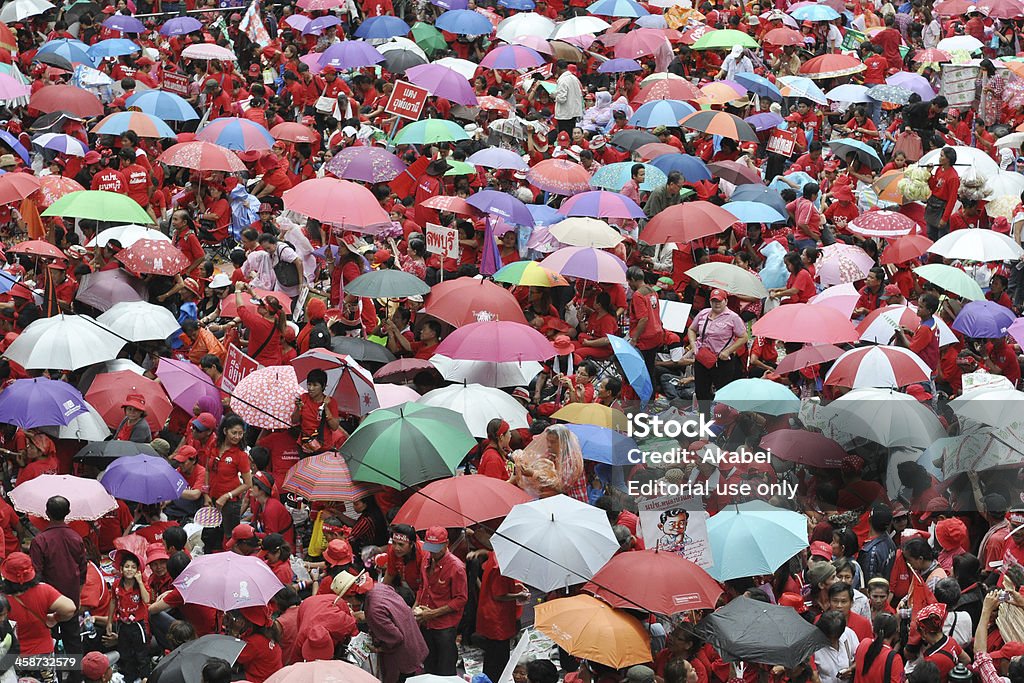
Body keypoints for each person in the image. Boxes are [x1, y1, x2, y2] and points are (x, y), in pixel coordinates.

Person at [337, 572, 428, 683]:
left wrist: (378, 649)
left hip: (402, 654)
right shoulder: (379, 587)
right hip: (413, 638)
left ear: (353, 596)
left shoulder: (373, 610)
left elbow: (396, 638)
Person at [28, 495, 86, 671]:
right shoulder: (76, 538)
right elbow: (83, 571)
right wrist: (78, 595)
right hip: (71, 599)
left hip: (48, 602)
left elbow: (35, 575)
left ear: (46, 513)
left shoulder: (40, 541)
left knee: (49, 642)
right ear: (68, 513)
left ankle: (54, 676)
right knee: (73, 641)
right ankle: (77, 677)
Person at [414, 526, 468, 675]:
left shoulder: (456, 568)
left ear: (446, 544)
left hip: (444, 627)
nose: (432, 552)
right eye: (430, 548)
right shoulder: (426, 558)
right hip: (425, 622)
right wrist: (415, 608)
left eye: (436, 548)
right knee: (429, 665)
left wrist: (433, 613)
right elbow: (422, 587)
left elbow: (461, 599)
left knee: (445, 669)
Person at [687, 289, 747, 400]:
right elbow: (691, 329)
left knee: (723, 393)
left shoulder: (733, 317)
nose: (717, 304)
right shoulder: (703, 313)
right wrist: (693, 345)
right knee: (701, 391)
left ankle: (721, 416)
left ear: (726, 301)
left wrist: (728, 351)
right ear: (710, 302)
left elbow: (743, 337)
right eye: (714, 301)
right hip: (703, 358)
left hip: (722, 361)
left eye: (719, 301)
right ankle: (704, 416)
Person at [107, 550, 150, 683]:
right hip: (122, 623)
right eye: (126, 567)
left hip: (137, 624)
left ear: (137, 570)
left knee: (141, 652)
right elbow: (113, 601)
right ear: (121, 569)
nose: (129, 570)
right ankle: (129, 676)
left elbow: (147, 599)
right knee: (125, 651)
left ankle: (145, 677)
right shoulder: (116, 585)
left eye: (133, 567)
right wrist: (109, 621)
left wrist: (141, 582)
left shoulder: (140, 584)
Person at [554, 60, 584, 136]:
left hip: (565, 114)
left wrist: (554, 96)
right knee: (571, 134)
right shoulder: (574, 78)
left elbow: (562, 98)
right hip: (574, 112)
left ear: (558, 68)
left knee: (564, 136)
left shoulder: (563, 80)